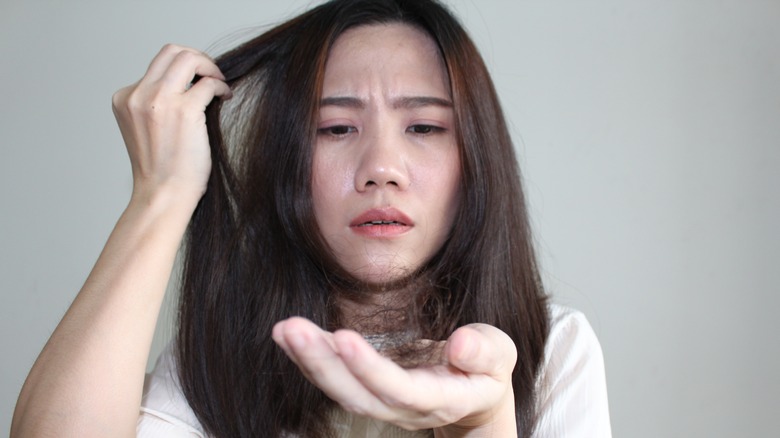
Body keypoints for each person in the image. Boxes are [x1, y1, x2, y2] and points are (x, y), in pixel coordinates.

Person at [11, 0, 611, 436]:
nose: (382, 168)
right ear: (289, 162)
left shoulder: (557, 350)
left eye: (425, 127)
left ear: (477, 159)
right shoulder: (215, 367)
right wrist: (160, 195)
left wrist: (482, 421)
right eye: (336, 129)